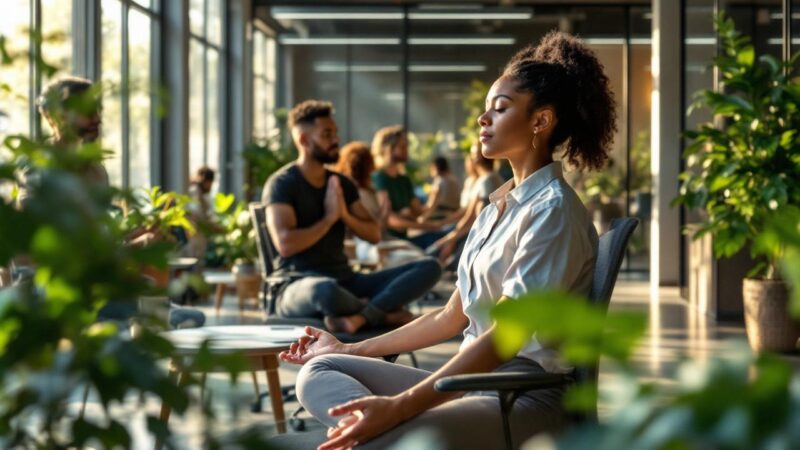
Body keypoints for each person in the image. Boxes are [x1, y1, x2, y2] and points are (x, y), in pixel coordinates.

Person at [280, 31, 617, 449]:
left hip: (521, 398)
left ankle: (379, 435)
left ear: (540, 121)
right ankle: (375, 433)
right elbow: (449, 317)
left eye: (500, 108)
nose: (483, 119)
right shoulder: (497, 208)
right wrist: (352, 349)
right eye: (486, 109)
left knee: (374, 432)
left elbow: (506, 337)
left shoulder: (553, 211)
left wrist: (400, 406)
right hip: (473, 385)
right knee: (321, 368)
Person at [262, 100, 442, 334]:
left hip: (346, 280)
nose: (336, 139)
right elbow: (286, 245)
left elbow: (374, 235)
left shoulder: (341, 184)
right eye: (327, 134)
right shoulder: (282, 184)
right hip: (295, 285)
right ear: (304, 140)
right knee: (324, 290)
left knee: (430, 267)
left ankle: (361, 316)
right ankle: (381, 314)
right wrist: (329, 218)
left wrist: (345, 215)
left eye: (335, 133)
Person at [333, 141, 425, 268]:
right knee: (416, 256)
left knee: (414, 252)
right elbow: (369, 232)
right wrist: (384, 214)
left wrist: (387, 213)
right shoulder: (356, 194)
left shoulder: (368, 191)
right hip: (365, 247)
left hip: (378, 241)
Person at [428, 142, 504, 271]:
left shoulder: (487, 181)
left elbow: (474, 218)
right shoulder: (487, 179)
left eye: (474, 153)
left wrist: (452, 238)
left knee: (434, 252)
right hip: (474, 232)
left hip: (478, 236)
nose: (471, 157)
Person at [371, 125, 447, 250]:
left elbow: (418, 212)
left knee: (443, 237)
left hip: (405, 240)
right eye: (402, 146)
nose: (406, 150)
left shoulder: (404, 180)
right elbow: (391, 220)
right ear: (389, 148)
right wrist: (430, 226)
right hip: (388, 242)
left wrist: (434, 200)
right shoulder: (379, 177)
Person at [420, 156, 461, 221]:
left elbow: (431, 206)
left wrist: (422, 218)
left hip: (443, 217)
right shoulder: (453, 179)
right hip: (456, 214)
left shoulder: (439, 182)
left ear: (435, 167)